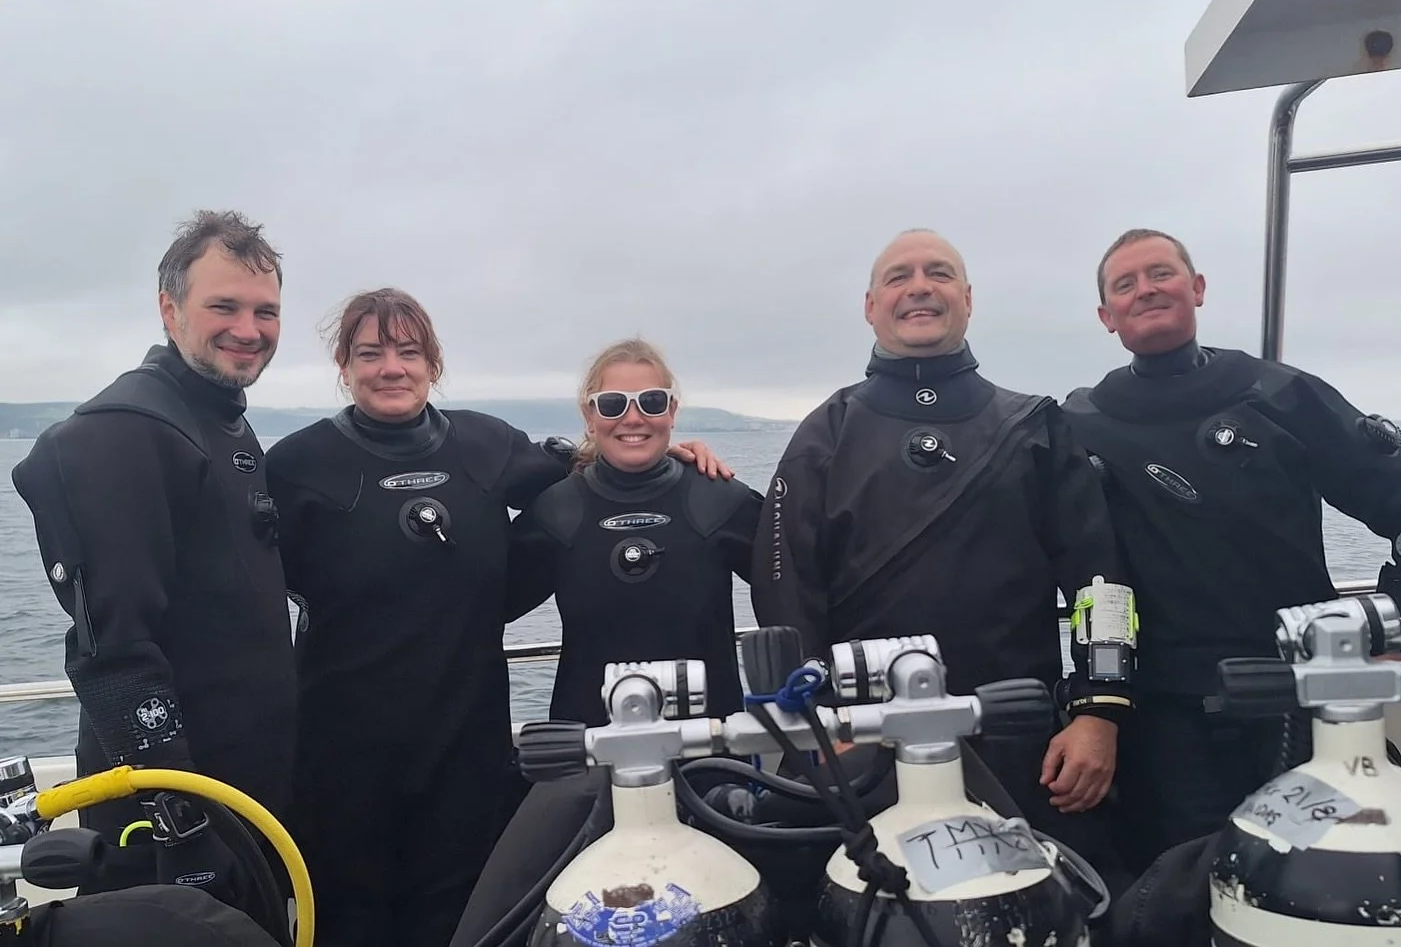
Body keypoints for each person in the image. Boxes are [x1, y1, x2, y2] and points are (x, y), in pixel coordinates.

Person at [264, 297, 731, 947]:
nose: (390, 368)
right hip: (341, 752)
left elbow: (593, 475)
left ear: (434, 363)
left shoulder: (486, 446)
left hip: (465, 743)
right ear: (344, 366)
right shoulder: (295, 465)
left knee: (462, 919)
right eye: (370, 353)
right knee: (349, 919)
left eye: (408, 352)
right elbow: (250, 586)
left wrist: (663, 451)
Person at [751, 228, 1133, 885]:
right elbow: (784, 588)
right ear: (871, 305)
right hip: (866, 742)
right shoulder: (828, 429)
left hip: (1020, 737)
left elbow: (1100, 581)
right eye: (899, 276)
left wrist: (1099, 712)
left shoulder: (1034, 425)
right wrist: (816, 726)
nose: (920, 287)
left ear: (968, 298)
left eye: (939, 272)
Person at [1061, 227, 1401, 873]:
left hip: (1302, 695)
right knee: (1183, 892)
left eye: (1162, 274)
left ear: (1198, 288)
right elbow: (1089, 580)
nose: (1146, 290)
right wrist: (1097, 707)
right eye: (1125, 284)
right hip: (1167, 719)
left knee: (1323, 881)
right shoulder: (1081, 424)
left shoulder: (1280, 396)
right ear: (1105, 316)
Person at [9, 211, 296, 901]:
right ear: (169, 309)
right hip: (174, 816)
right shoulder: (127, 434)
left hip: (246, 792)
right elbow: (112, 655)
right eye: (223, 306)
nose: (249, 329)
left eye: (266, 311)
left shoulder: (218, 418)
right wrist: (181, 822)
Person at [447, 336, 763, 947]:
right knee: (591, 918)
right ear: (589, 416)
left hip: (709, 750)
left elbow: (797, 585)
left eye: (650, 399)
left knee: (714, 912)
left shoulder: (717, 497)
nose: (633, 416)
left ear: (673, 409)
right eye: (613, 402)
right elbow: (481, 604)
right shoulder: (559, 510)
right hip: (587, 757)